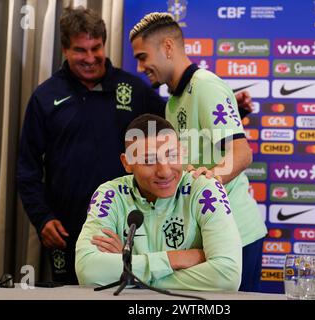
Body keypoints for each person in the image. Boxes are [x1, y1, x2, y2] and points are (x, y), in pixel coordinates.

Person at [17, 6, 252, 285]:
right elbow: (27, 166)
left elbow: (177, 134)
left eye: (97, 48)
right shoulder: (46, 96)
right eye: (81, 50)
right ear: (65, 50)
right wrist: (42, 216)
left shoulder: (138, 88)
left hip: (166, 223)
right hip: (76, 224)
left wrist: (130, 276)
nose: (91, 58)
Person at [129, 12, 267, 292]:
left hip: (237, 235)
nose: (140, 67)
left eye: (143, 56)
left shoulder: (205, 86)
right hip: (206, 234)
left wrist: (210, 181)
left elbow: (241, 154)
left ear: (167, 47)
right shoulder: (173, 101)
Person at [75, 114, 242, 291]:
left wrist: (128, 273)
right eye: (149, 161)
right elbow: (88, 271)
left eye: (172, 156)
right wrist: (174, 259)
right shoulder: (110, 194)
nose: (164, 171)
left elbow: (227, 276)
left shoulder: (204, 188)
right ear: (127, 162)